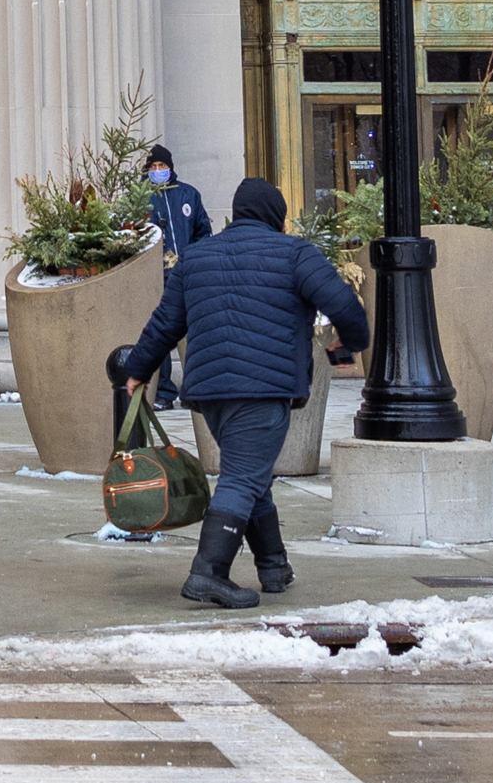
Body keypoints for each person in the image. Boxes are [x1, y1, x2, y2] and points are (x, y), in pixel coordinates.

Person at [110, 176, 367, 611]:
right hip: (263, 390)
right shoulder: (295, 253)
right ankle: (208, 573)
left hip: (210, 394)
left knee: (250, 474)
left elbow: (165, 323)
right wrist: (349, 344)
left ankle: (274, 566)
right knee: (243, 478)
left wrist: (138, 369)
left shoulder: (196, 257)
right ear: (277, 218)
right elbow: (344, 306)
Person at [141, 142, 212, 406]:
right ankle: (163, 392)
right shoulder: (140, 199)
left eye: (162, 165)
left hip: (186, 275)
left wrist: (195, 259)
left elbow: (202, 231)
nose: (158, 170)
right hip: (156, 278)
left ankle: (197, 389)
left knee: (193, 333)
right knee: (161, 332)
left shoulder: (188, 195)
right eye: (153, 166)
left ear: (171, 168)